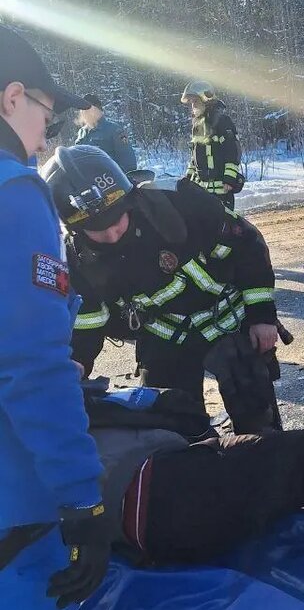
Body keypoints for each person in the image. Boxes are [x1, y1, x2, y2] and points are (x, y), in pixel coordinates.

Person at [0, 23, 181, 610]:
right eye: (47, 114)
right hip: (11, 499)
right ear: (12, 99)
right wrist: (81, 500)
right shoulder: (13, 196)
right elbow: (33, 369)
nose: (49, 133)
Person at [41, 144, 280, 433]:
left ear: (129, 199)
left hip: (228, 322)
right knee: (172, 428)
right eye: (96, 229)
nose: (111, 233)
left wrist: (262, 316)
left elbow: (248, 247)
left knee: (259, 420)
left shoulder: (180, 203)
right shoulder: (78, 260)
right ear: (74, 228)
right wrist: (77, 362)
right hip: (166, 338)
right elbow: (88, 320)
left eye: (116, 218)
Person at [81, 384, 304, 583]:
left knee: (268, 451)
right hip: (162, 485)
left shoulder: (46, 421)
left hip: (148, 524)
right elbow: (171, 406)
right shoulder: (57, 398)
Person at [181, 81, 244, 210]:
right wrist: (187, 179)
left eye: (195, 101)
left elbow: (233, 151)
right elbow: (195, 157)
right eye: (191, 102)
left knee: (224, 228)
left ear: (206, 100)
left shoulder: (222, 122)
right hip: (202, 192)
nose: (193, 106)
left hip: (222, 191)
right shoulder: (197, 126)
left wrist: (229, 178)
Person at [74, 94, 138, 175]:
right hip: (88, 182)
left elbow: (129, 163)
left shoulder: (114, 130)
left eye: (86, 110)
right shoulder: (82, 132)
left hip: (111, 182)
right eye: (82, 111)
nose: (83, 114)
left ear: (96, 110)